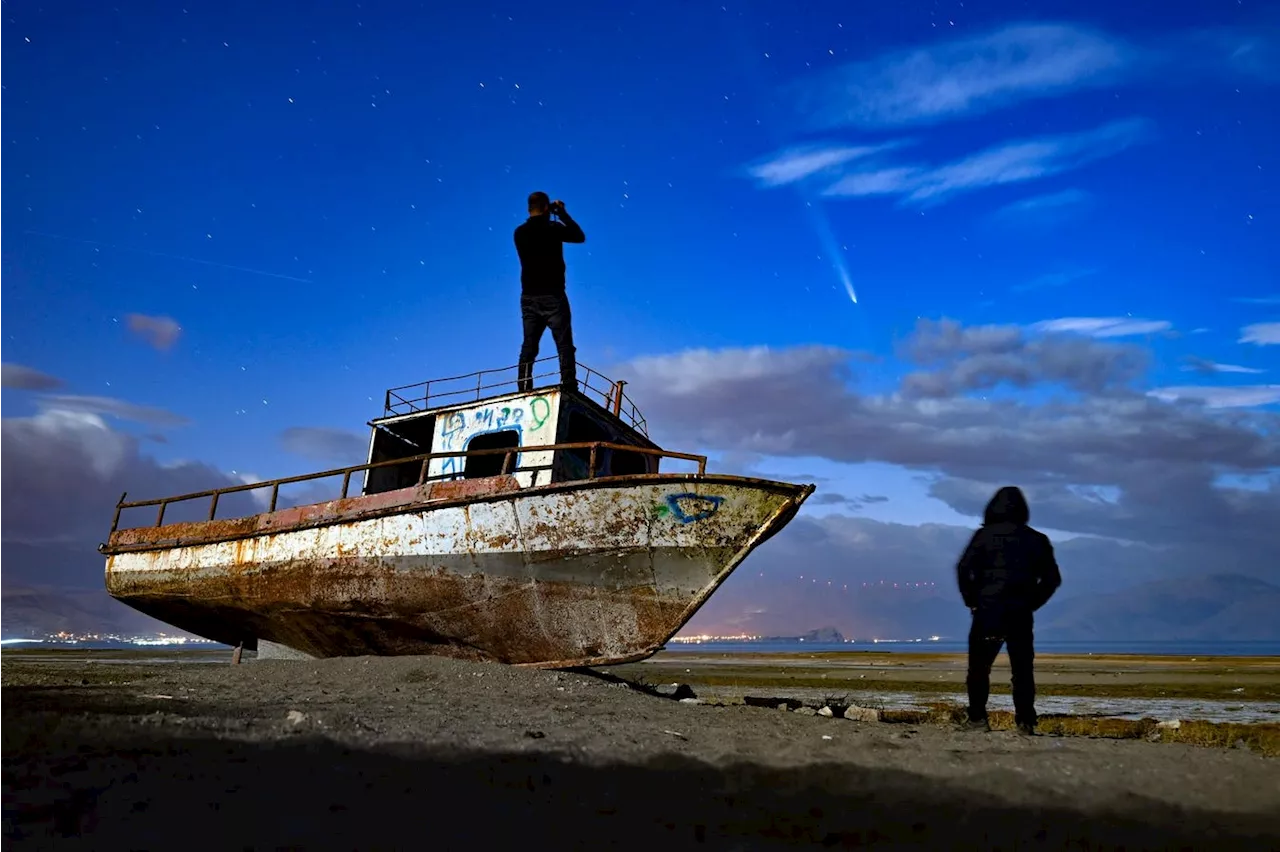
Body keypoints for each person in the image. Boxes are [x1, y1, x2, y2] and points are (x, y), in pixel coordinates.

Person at [956, 485, 1062, 735]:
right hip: (1019, 614)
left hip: (987, 612)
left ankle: (978, 720)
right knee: (1022, 671)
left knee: (979, 669)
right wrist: (1032, 603)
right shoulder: (1036, 540)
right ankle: (1025, 723)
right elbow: (1052, 580)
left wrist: (971, 600)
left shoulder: (983, 537)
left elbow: (963, 569)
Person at [514, 191, 585, 392]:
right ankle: (569, 384)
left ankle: (523, 386)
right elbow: (579, 236)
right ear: (546, 208)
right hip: (553, 295)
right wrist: (561, 213)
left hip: (528, 297)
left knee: (529, 345)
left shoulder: (519, 233)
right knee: (564, 344)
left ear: (529, 209)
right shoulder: (553, 228)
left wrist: (549, 213)